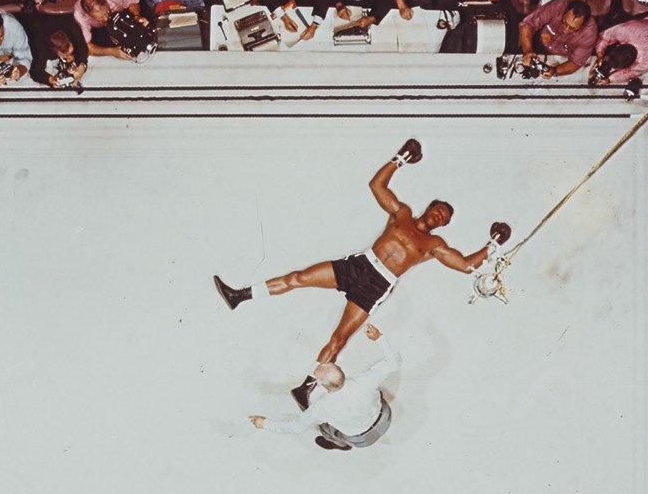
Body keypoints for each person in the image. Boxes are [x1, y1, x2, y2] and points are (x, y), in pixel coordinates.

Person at [213, 143, 505, 397]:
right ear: (429, 208)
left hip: (376, 285)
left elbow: (466, 265)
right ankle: (239, 295)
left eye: (444, 218)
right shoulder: (401, 214)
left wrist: (491, 245)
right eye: (439, 210)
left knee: (339, 338)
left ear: (442, 225)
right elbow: (376, 186)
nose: (439, 216)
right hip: (360, 265)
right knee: (298, 277)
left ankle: (307, 388)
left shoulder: (434, 244)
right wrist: (399, 160)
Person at [249, 323, 399, 451]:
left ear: (320, 385)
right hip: (385, 417)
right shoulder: (364, 381)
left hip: (361, 439)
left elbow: (296, 427)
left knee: (325, 427)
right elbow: (393, 362)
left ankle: (338, 443)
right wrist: (379, 338)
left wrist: (264, 423)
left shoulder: (321, 408)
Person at [518, 0, 597, 75]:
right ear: (564, 11)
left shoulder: (590, 33)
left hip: (563, 60)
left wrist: (554, 71)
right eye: (564, 23)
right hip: (536, 47)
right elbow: (527, 25)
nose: (566, 30)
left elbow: (576, 62)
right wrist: (528, 50)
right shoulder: (557, 6)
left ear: (583, 25)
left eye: (573, 28)